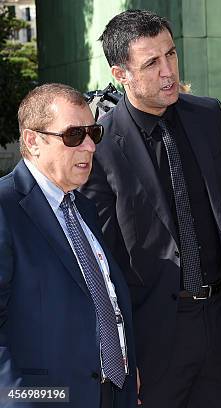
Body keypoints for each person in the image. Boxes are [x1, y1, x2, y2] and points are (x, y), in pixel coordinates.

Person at [80, 9, 221, 407]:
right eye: (151, 63)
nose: (168, 71)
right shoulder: (100, 148)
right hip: (152, 337)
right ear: (122, 74)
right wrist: (119, 351)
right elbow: (102, 261)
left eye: (171, 54)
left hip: (219, 323)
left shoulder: (209, 116)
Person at [0, 83, 136, 407]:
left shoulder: (82, 208)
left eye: (94, 133)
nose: (89, 147)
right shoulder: (5, 207)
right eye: (75, 135)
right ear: (33, 141)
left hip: (111, 392)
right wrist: (23, 400)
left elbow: (103, 299)